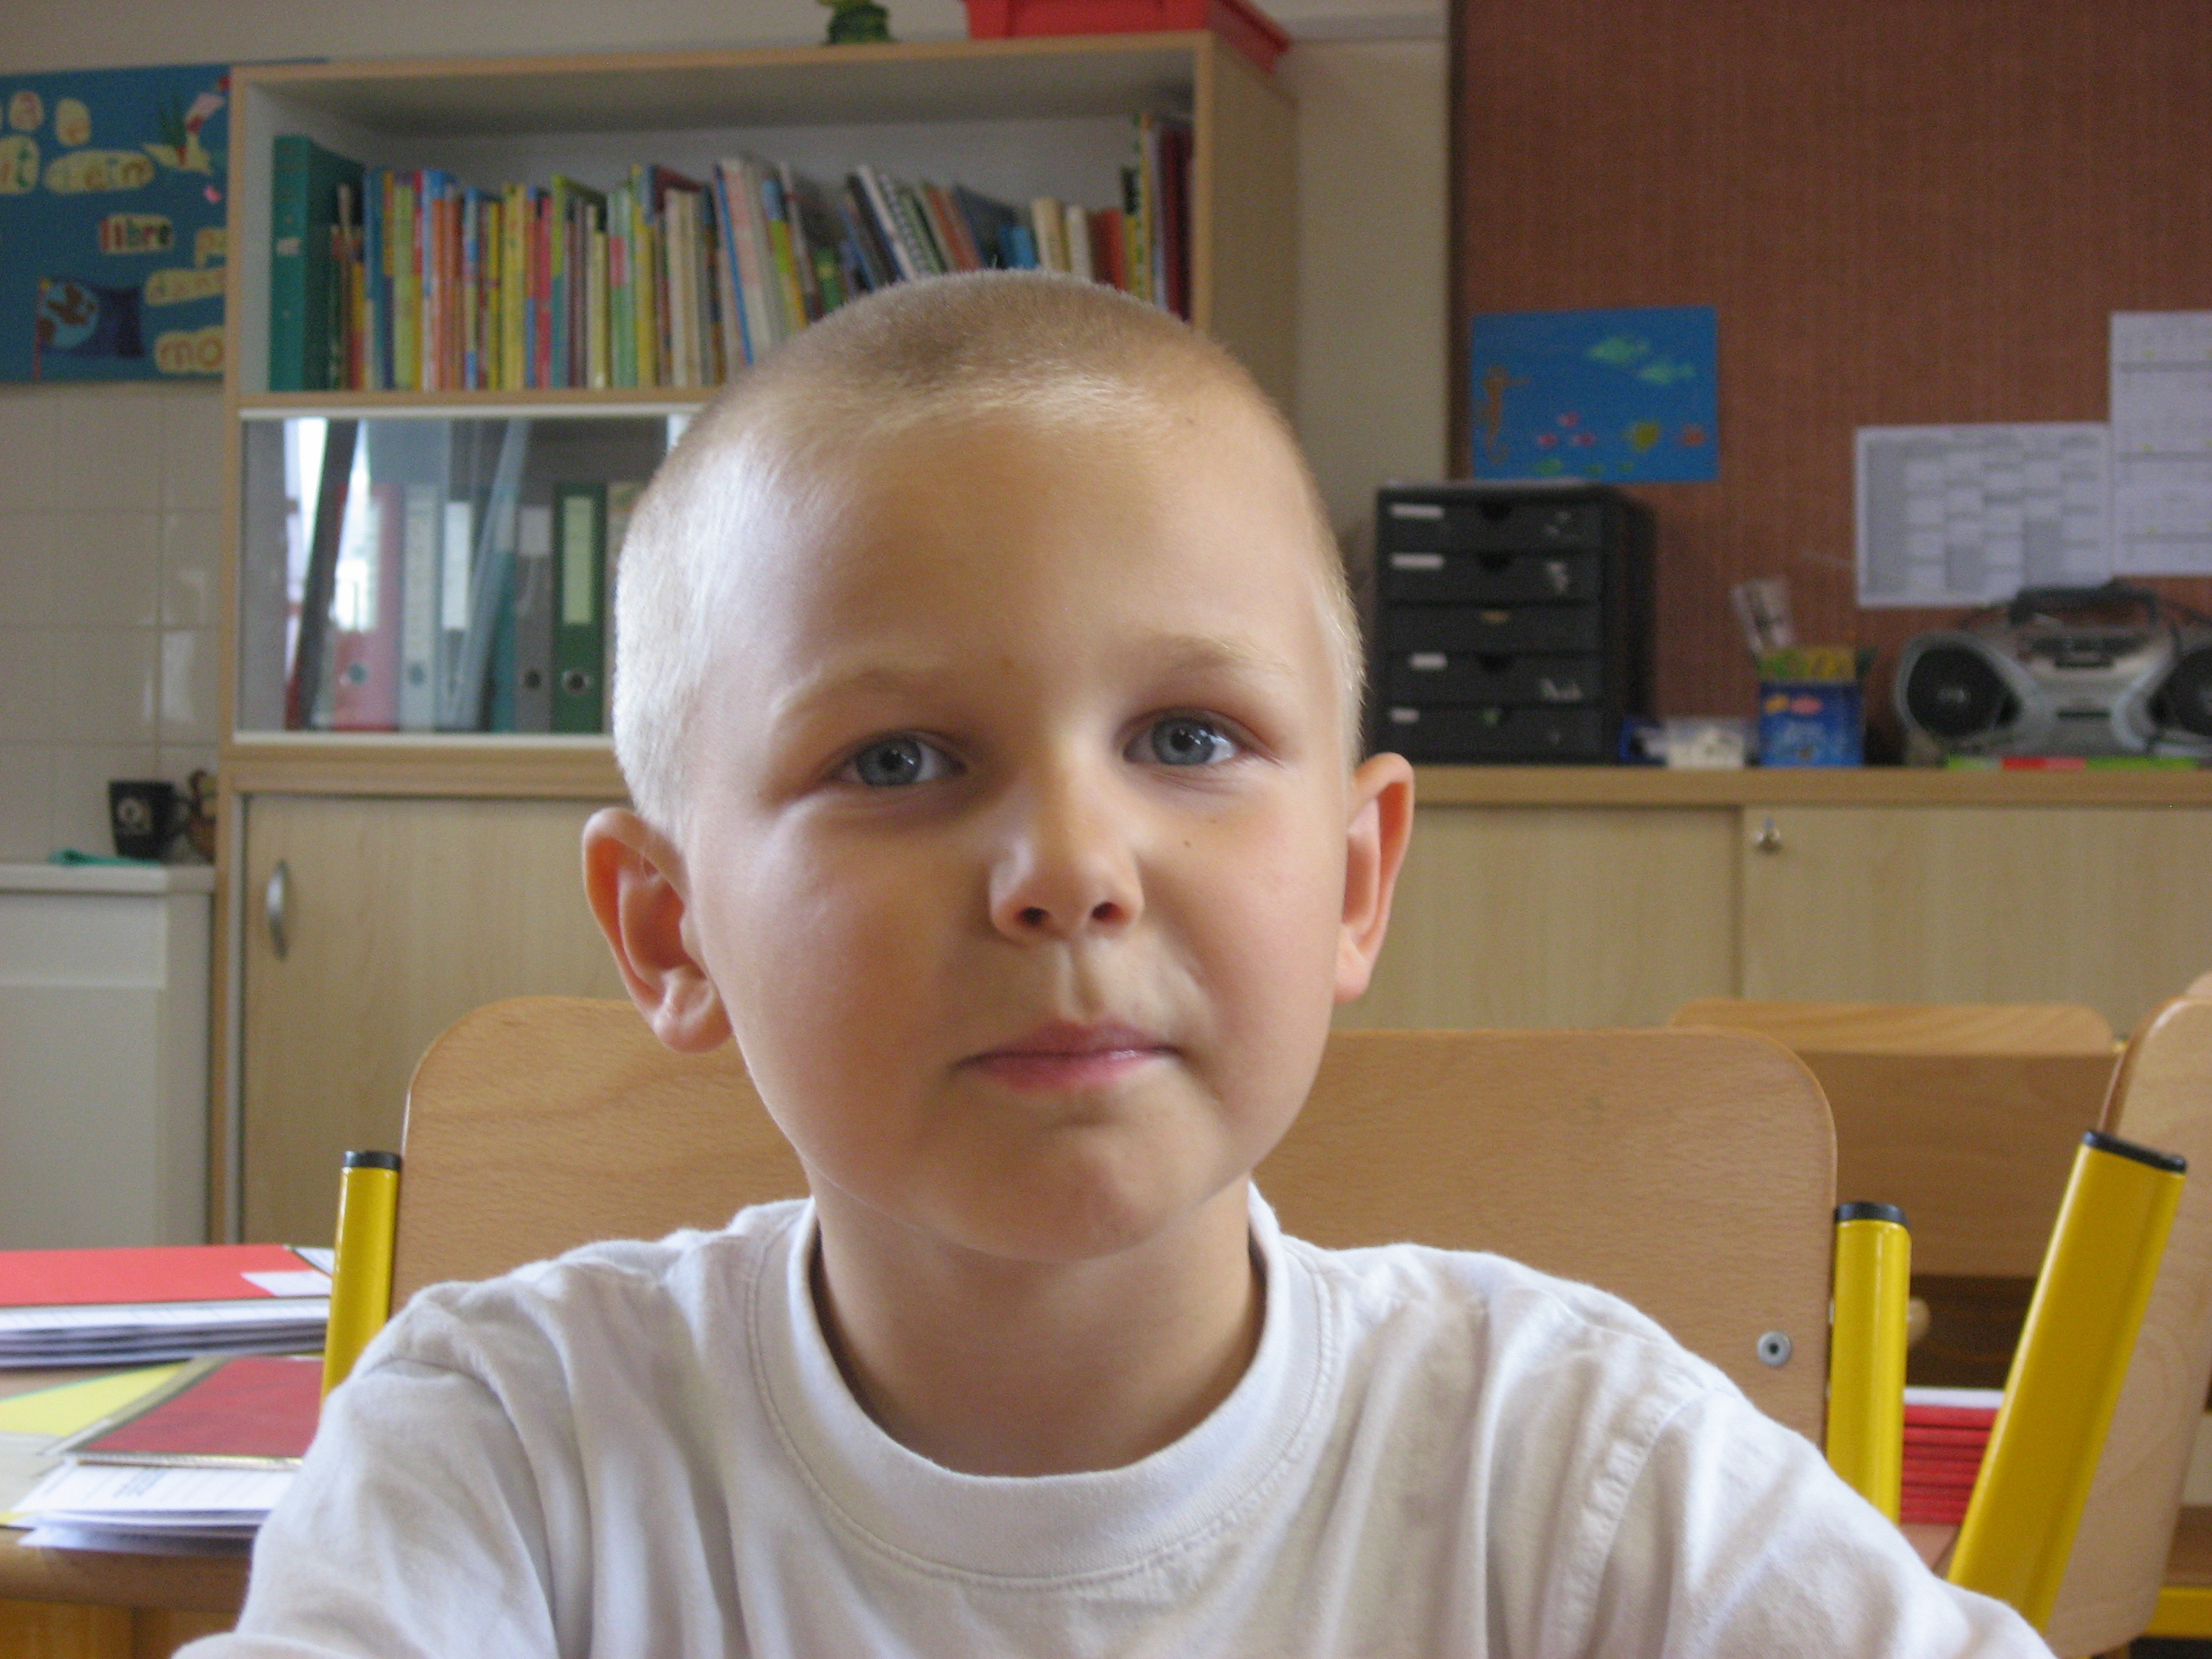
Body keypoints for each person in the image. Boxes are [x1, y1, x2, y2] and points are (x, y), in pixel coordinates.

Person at [186, 273, 2045, 1657]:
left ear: (1353, 880)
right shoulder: (504, 1454)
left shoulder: (1571, 1466)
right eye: (897, 761)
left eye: (1185, 738)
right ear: (672, 934)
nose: (1072, 870)